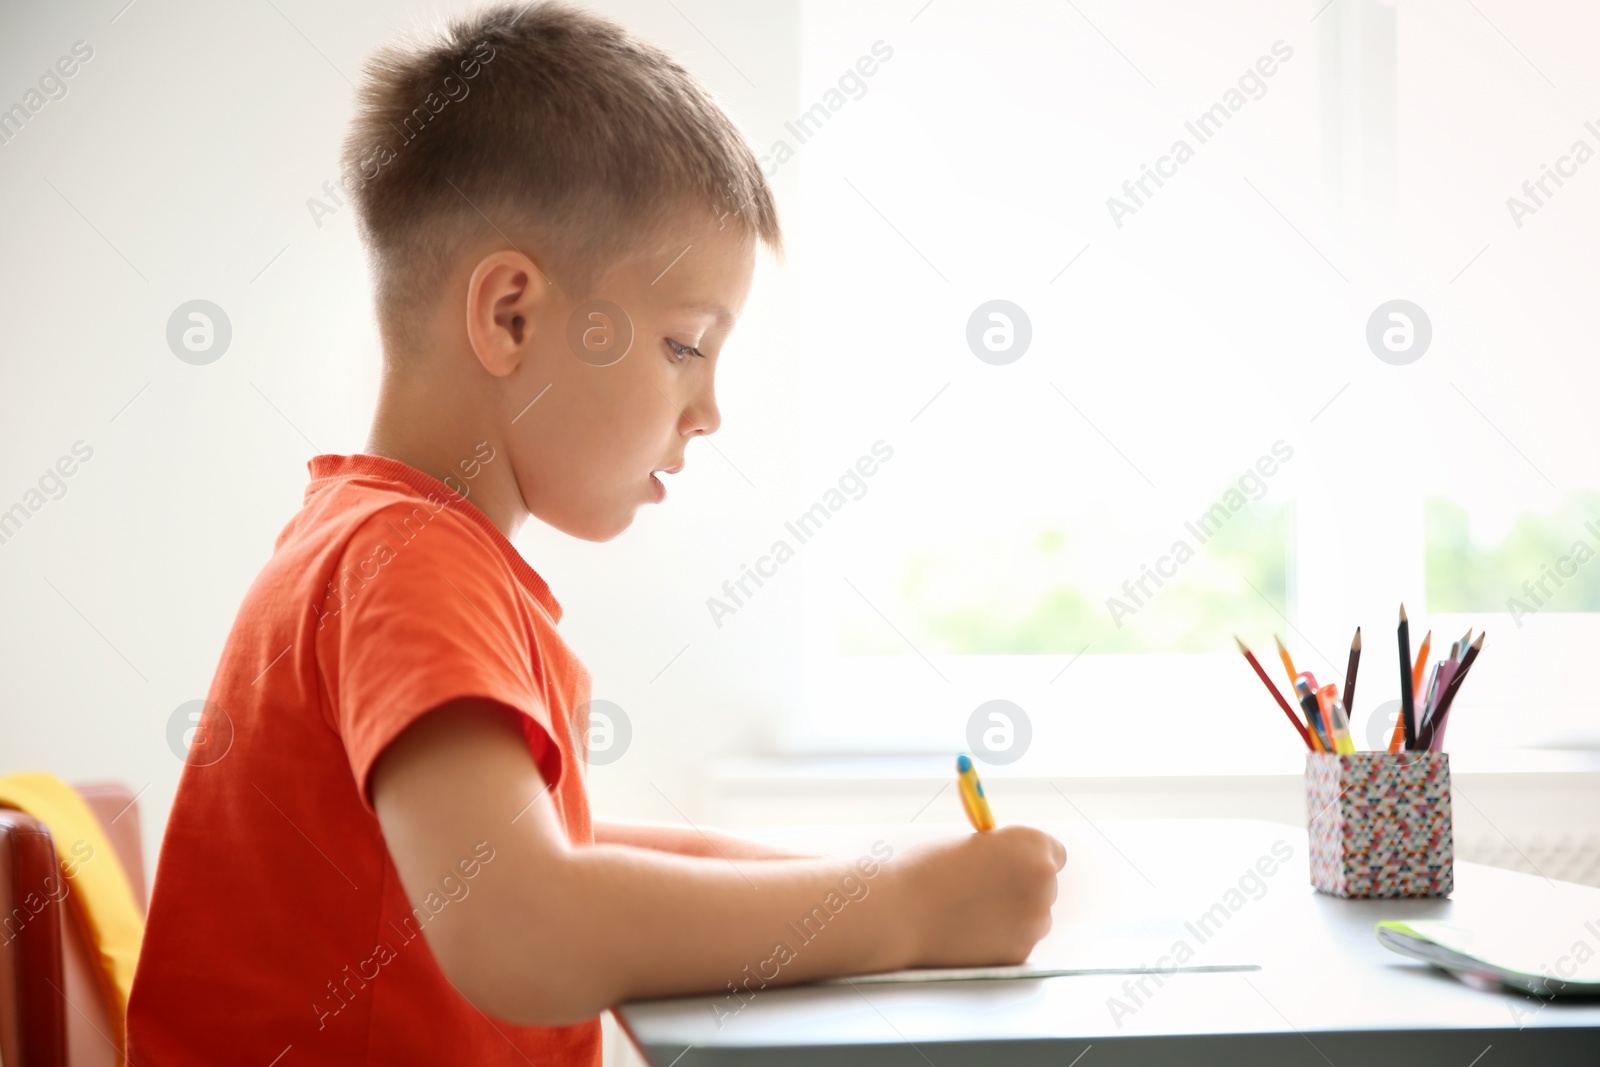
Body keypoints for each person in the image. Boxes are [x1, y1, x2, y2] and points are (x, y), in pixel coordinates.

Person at [127, 4, 1065, 1062]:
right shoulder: (409, 566)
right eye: (682, 344)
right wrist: (905, 910)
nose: (708, 409)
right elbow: (523, 918)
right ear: (512, 315)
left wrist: (892, 882)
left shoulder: (373, 539)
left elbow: (554, 853)